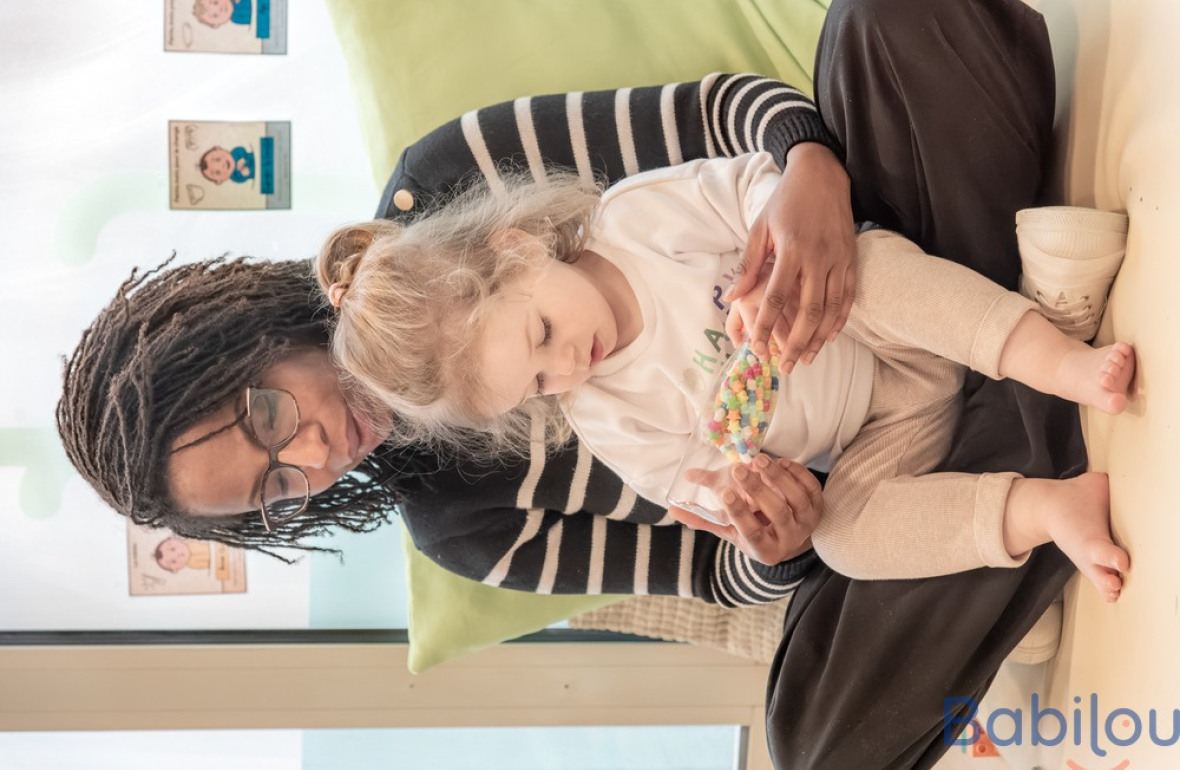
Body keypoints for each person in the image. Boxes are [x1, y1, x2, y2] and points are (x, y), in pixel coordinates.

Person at [57, 0, 1081, 765]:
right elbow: (718, 574)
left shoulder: (451, 180)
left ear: (249, 331)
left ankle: (1020, 394)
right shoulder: (465, 527)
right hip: (881, 448)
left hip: (888, 240)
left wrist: (807, 170)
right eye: (279, 485)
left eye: (267, 414)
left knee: (884, 18)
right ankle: (1030, 393)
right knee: (817, 735)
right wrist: (775, 537)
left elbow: (722, 115)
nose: (315, 455)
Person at [316, 155, 1132, 600]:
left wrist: (776, 256)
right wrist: (749, 507)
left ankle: (1058, 360)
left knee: (875, 270)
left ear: (519, 249)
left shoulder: (635, 221)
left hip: (869, 316)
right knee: (844, 542)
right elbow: (692, 484)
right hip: (881, 431)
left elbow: (758, 193)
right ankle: (1044, 510)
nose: (565, 367)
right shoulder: (609, 419)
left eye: (543, 333)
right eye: (536, 384)